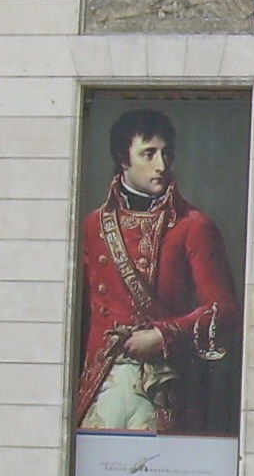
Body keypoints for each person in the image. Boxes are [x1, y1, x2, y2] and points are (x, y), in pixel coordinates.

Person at [76, 108, 239, 434]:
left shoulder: (195, 225)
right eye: (148, 154)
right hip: (101, 380)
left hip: (166, 383)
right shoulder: (93, 226)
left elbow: (224, 311)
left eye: (167, 153)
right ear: (124, 159)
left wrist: (163, 335)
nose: (161, 165)